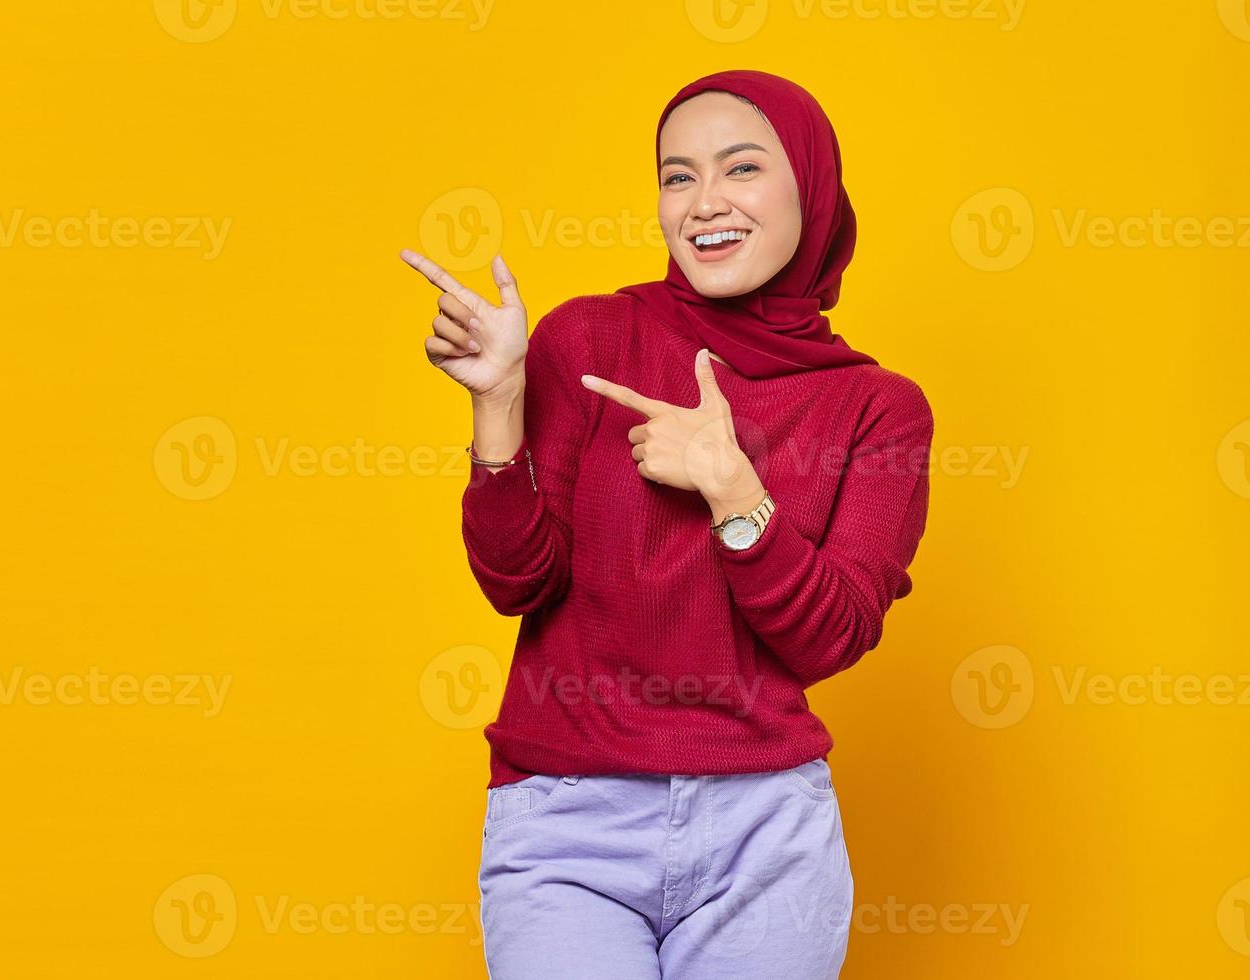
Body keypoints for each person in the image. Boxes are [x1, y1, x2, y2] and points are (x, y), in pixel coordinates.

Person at [400, 69, 933, 979]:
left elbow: (831, 636)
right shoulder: (589, 341)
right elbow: (515, 581)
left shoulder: (878, 408)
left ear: (811, 187)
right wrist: (499, 403)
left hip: (766, 834)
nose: (705, 202)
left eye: (741, 168)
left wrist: (732, 488)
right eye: (678, 175)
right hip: (568, 818)